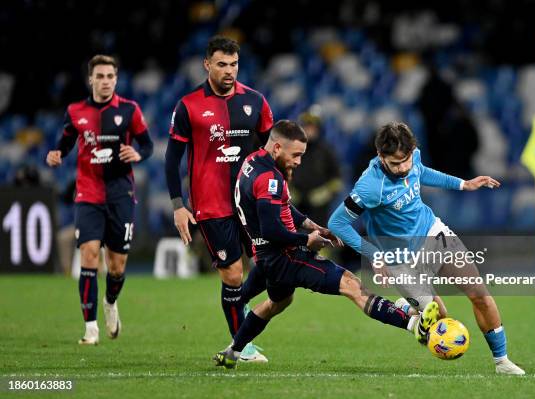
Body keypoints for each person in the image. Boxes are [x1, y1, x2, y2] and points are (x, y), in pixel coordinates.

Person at [213, 120, 424, 369]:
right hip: (285, 256)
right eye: (296, 155)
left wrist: (310, 225)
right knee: (351, 284)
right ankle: (414, 326)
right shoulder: (270, 178)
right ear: (278, 147)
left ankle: (233, 351)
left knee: (277, 302)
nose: (299, 161)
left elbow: (278, 208)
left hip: (266, 257)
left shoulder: (252, 163)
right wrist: (307, 240)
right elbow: (272, 229)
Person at [328, 122, 525, 375]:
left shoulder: (414, 158)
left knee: (479, 293)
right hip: (398, 258)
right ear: (380, 156)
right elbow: (337, 223)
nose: (403, 168)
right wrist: (374, 255)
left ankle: (502, 362)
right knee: (439, 319)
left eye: (406, 160)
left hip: (432, 234)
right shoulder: (370, 187)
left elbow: (421, 171)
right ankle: (410, 309)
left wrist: (463, 184)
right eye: (394, 163)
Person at [164, 36, 273, 362]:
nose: (229, 71)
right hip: (210, 206)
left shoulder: (255, 101)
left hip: (250, 201)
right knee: (232, 273)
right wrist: (178, 205)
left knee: (267, 267)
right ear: (207, 64)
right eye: (222, 64)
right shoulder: (188, 105)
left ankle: (240, 309)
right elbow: (172, 158)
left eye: (234, 64)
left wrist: (280, 185)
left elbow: (273, 150)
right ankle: (242, 345)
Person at [46, 54, 154, 345]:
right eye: (100, 76)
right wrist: (57, 153)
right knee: (90, 255)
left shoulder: (130, 110)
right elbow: (67, 140)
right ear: (90, 79)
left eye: (110, 76)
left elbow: (147, 144)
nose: (105, 81)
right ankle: (90, 328)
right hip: (88, 193)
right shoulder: (76, 111)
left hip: (120, 193)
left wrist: (138, 154)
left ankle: (110, 302)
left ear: (116, 80)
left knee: (117, 266)